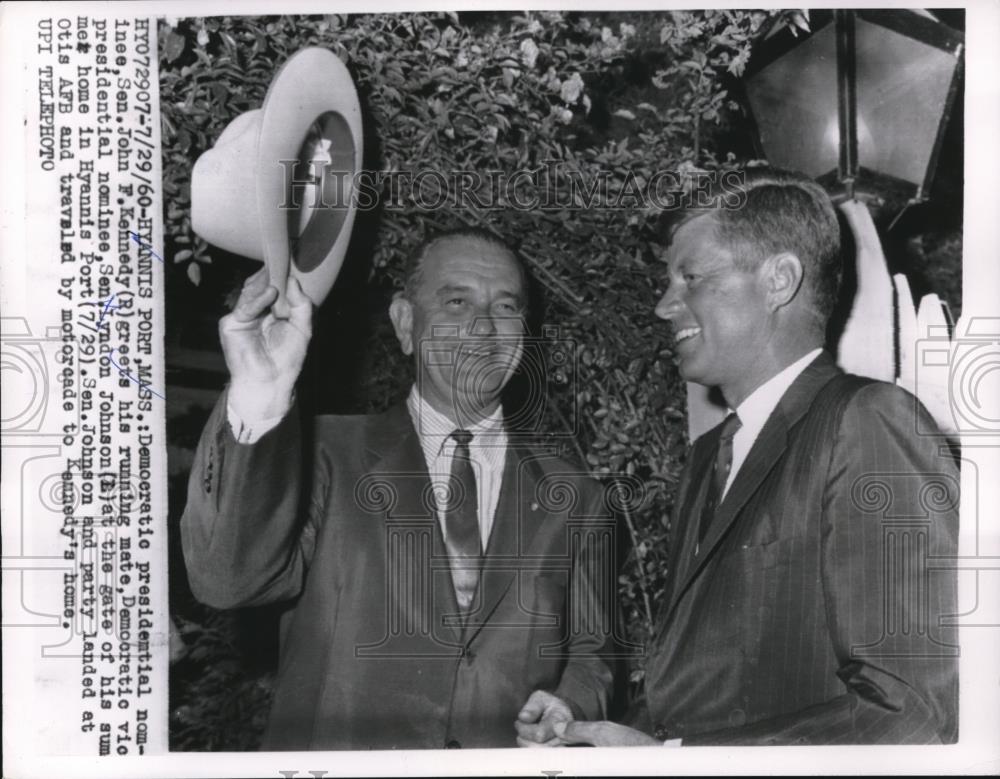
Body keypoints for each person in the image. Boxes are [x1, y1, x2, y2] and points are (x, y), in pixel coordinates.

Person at [516, 167, 959, 747]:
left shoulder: (867, 421)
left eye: (691, 277)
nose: (662, 306)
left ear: (779, 279)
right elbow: (702, 696)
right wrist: (594, 731)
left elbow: (917, 710)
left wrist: (674, 761)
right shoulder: (710, 458)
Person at [181, 229, 616, 750]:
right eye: (457, 301)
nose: (484, 326)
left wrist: (570, 706)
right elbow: (227, 581)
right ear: (406, 323)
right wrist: (261, 389)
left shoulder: (576, 496)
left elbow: (596, 651)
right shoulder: (324, 455)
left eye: (506, 306)